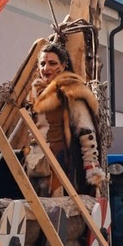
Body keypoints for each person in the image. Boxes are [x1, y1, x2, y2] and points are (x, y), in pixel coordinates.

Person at [24, 42, 105, 196]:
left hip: (61, 165)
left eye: (52, 63)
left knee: (58, 212)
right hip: (36, 164)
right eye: (42, 63)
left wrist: (92, 171)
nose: (46, 68)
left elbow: (87, 134)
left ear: (62, 66)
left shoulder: (71, 92)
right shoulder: (34, 95)